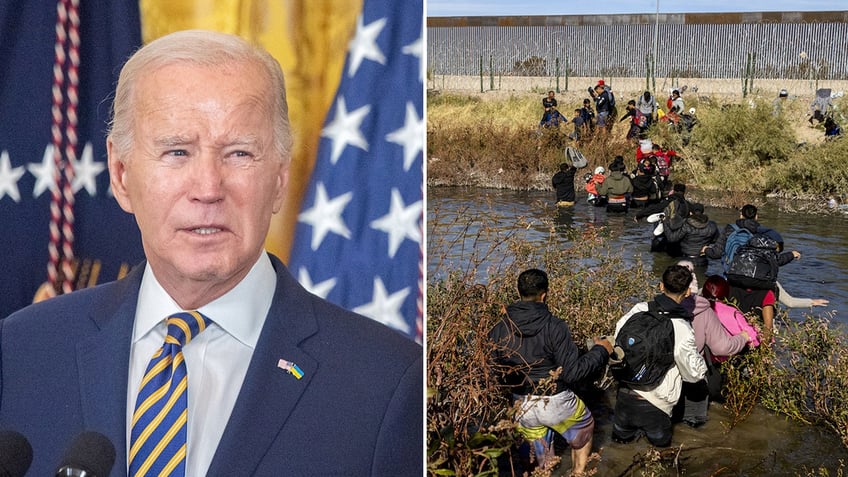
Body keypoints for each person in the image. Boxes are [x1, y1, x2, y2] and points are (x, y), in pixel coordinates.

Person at [0, 30, 422, 476]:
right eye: (177, 152)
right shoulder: (20, 352)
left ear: (279, 179)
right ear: (121, 175)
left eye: (239, 153)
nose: (207, 189)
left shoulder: (386, 383)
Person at [489, 269, 612, 474]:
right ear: (544, 295)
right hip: (556, 400)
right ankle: (578, 473)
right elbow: (572, 373)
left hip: (522, 405)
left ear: (518, 292)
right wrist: (601, 350)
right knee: (584, 430)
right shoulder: (555, 326)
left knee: (540, 462)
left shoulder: (499, 328)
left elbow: (494, 370)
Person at [611, 265, 707, 447]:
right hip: (657, 404)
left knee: (619, 447)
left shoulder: (639, 309)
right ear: (687, 292)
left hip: (624, 395)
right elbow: (693, 374)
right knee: (660, 453)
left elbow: (618, 338)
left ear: (661, 286)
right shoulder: (681, 326)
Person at [676, 265, 750, 428]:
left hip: (666, 374)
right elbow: (722, 348)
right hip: (694, 374)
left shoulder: (652, 307)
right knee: (693, 425)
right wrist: (743, 337)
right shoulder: (706, 311)